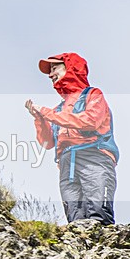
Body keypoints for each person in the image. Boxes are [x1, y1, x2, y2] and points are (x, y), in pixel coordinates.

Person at [25, 53, 118, 224]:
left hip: (94, 156)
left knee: (99, 214)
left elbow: (89, 122)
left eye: (55, 68)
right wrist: (39, 118)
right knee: (75, 220)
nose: (50, 75)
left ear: (71, 68)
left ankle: (105, 246)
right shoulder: (60, 108)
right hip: (67, 163)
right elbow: (47, 143)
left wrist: (47, 113)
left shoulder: (92, 95)